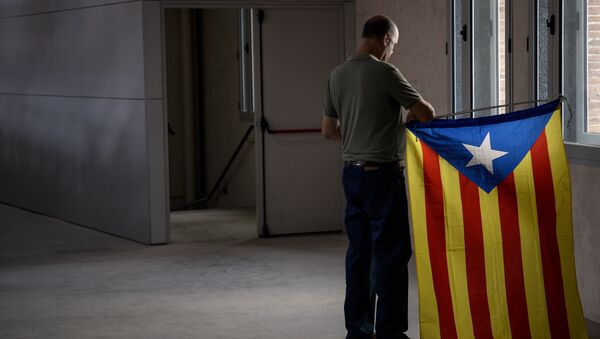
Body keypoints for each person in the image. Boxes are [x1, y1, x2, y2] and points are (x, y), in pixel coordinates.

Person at [321, 15, 435, 339]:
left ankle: (357, 332)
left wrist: (358, 135)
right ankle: (390, 333)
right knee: (391, 256)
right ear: (385, 38)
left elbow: (328, 130)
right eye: (394, 45)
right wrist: (409, 117)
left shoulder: (336, 75)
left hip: (352, 176)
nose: (392, 52)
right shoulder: (385, 72)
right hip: (383, 177)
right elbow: (426, 112)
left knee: (359, 255)